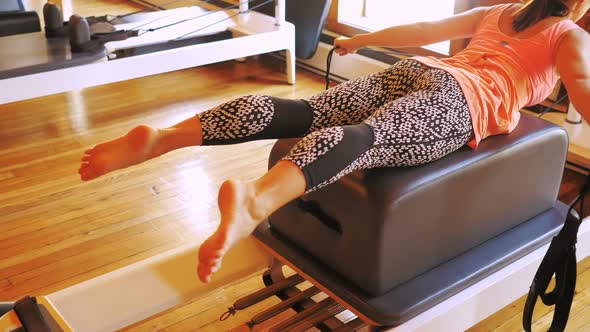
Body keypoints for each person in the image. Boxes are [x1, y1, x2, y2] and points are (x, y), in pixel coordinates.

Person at [79, 0, 590, 283]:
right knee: (367, 140)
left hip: (420, 69)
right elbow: (584, 86)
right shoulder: (569, 34)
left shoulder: (499, 11)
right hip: (461, 100)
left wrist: (364, 40)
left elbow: (425, 27)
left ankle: (165, 137)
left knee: (306, 112)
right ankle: (256, 198)